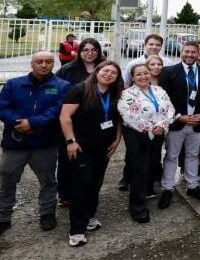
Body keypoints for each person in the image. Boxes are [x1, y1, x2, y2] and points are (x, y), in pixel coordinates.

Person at [0, 51, 70, 234]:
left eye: (48, 61)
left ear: (53, 64)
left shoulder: (62, 86)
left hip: (44, 144)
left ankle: (47, 213)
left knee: (48, 181)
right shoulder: (13, 84)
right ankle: (3, 216)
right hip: (15, 144)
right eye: (39, 61)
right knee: (7, 180)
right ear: (32, 64)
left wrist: (32, 123)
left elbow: (57, 110)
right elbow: (3, 107)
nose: (44, 65)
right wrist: (18, 123)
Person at [59, 61, 123, 246]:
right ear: (97, 71)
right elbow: (65, 117)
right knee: (82, 185)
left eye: (113, 73)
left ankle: (89, 217)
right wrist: (71, 141)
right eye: (105, 70)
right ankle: (77, 231)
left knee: (96, 183)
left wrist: (117, 139)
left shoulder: (115, 93)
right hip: (82, 147)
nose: (109, 74)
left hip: (104, 147)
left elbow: (118, 119)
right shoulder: (80, 90)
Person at [158, 41, 200, 209]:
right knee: (171, 156)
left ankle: (192, 186)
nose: (190, 55)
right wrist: (179, 116)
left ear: (198, 54)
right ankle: (167, 188)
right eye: (186, 51)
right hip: (177, 123)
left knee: (193, 155)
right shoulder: (168, 72)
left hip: (197, 122)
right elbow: (164, 99)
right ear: (181, 52)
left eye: (193, 52)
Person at [118, 64, 175, 222]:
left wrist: (162, 125)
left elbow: (170, 109)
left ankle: (147, 191)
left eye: (145, 73)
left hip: (158, 133)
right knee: (139, 169)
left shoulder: (159, 90)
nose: (143, 76)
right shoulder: (126, 94)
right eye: (138, 74)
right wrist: (151, 128)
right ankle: (137, 208)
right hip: (138, 135)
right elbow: (128, 116)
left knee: (152, 164)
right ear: (132, 77)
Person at [55, 37, 106, 206]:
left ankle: (87, 193)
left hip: (97, 123)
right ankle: (65, 194)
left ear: (98, 51)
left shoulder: (105, 68)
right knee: (67, 158)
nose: (89, 53)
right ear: (79, 51)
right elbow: (56, 90)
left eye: (93, 50)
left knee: (90, 161)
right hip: (70, 121)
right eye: (85, 50)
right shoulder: (68, 69)